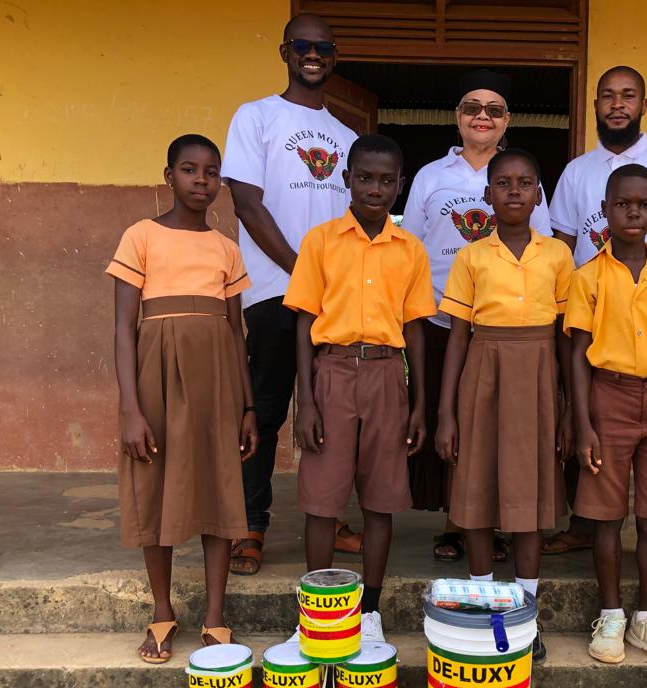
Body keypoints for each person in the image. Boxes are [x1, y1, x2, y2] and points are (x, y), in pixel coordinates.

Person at [222, 12, 362, 577]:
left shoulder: (349, 137)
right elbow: (248, 204)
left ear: (334, 57)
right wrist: (304, 268)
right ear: (285, 52)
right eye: (303, 45)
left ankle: (329, 517)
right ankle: (249, 524)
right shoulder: (255, 118)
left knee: (330, 412)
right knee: (267, 407)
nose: (313, 54)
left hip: (336, 299)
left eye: (323, 47)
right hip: (276, 291)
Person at [108, 134, 257, 663]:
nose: (202, 181)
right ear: (168, 175)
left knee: (218, 489)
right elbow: (125, 329)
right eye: (190, 170)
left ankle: (215, 616)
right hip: (155, 378)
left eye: (211, 172)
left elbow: (236, 333)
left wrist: (247, 407)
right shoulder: (140, 237)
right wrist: (131, 408)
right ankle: (162, 611)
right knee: (156, 486)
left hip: (216, 381)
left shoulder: (226, 248)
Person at [547, 65, 647, 575]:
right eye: (607, 96)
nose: (617, 104)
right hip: (594, 305)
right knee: (586, 416)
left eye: (628, 95)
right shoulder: (576, 171)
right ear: (594, 106)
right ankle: (585, 524)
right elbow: (562, 243)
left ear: (643, 104)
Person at [284, 134, 436, 643]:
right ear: (346, 179)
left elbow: (414, 327)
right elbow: (305, 323)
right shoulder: (320, 241)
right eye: (365, 177)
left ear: (400, 185)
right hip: (332, 372)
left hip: (388, 376)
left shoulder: (410, 249)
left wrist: (419, 402)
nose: (375, 188)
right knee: (322, 500)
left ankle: (368, 610)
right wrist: (305, 400)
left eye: (387, 180)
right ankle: (319, 608)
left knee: (381, 498)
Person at [401, 68, 553, 563]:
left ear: (506, 119)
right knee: (460, 425)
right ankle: (457, 521)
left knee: (504, 428)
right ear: (457, 117)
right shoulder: (431, 176)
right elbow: (413, 246)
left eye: (493, 109)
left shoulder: (524, 176)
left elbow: (544, 247)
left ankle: (503, 521)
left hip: (505, 321)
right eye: (472, 108)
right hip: (445, 317)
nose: (481, 117)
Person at [435, 148, 575, 664]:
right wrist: (447, 411)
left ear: (539, 194)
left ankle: (526, 612)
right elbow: (457, 338)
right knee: (477, 485)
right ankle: (483, 601)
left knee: (530, 493)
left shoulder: (558, 255)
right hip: (483, 374)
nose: (514, 191)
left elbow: (566, 340)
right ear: (488, 194)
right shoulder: (471, 257)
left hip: (538, 375)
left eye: (525, 182)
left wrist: (565, 407)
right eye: (504, 183)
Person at [565, 165, 647, 666]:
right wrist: (583, 424)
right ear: (605, 210)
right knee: (604, 516)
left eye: (644, 205)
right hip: (610, 400)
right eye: (623, 204)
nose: (634, 213)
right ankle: (611, 615)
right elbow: (578, 355)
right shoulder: (588, 277)